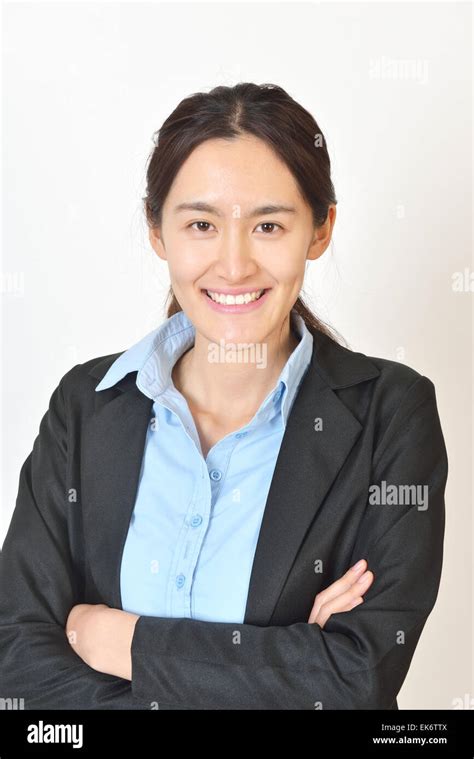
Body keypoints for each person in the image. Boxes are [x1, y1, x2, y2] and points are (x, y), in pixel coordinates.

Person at [0, 83, 448, 710]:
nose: (233, 265)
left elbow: (355, 680)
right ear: (158, 232)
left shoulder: (391, 416)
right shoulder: (86, 405)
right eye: (202, 224)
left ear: (320, 230)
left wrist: (120, 640)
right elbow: (17, 664)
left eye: (269, 224)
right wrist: (282, 664)